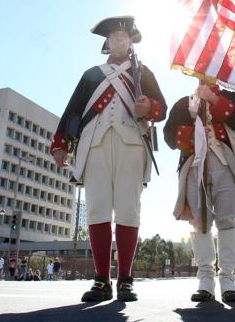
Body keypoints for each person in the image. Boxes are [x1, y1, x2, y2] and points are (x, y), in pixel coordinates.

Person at [51, 16, 166, 302]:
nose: (118, 40)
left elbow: (161, 109)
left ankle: (125, 279)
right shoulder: (92, 74)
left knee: (128, 209)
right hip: (95, 144)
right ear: (106, 43)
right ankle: (101, 280)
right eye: (113, 37)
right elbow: (72, 111)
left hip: (132, 144)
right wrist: (61, 144)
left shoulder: (144, 73)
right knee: (97, 209)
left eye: (123, 37)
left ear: (130, 41)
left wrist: (147, 107)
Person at [164, 81, 235, 302]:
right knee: (199, 220)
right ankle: (205, 279)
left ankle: (228, 280)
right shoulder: (184, 103)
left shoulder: (232, 97)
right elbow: (168, 134)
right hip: (194, 167)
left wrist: (212, 99)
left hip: (225, 165)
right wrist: (192, 134)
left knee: (227, 220)